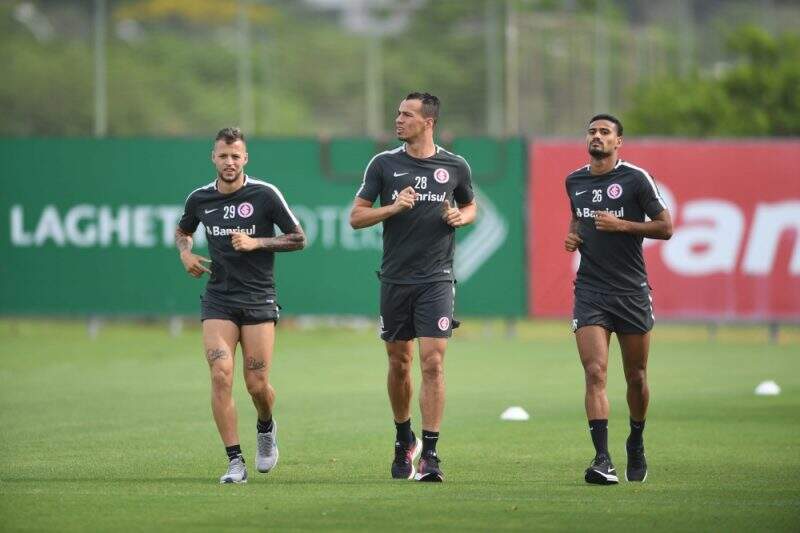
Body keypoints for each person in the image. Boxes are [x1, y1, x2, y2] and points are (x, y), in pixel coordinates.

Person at [349, 92, 477, 482]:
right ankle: (404, 437)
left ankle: (431, 456)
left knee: (433, 362)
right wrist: (393, 208)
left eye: (407, 114)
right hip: (395, 278)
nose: (398, 119)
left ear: (429, 122)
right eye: (398, 113)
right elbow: (356, 217)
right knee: (399, 362)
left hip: (436, 277)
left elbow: (471, 206)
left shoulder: (454, 165)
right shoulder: (384, 164)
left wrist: (461, 216)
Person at [175, 127, 306, 484]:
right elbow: (183, 230)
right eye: (223, 155)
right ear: (213, 158)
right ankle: (235, 462)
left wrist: (256, 242)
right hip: (219, 298)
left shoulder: (264, 194)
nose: (229, 161)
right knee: (220, 375)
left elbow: (298, 239)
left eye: (235, 156)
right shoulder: (199, 199)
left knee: (256, 383)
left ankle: (266, 426)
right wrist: (185, 253)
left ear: (245, 158)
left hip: (259, 298)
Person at [564, 114, 673, 484]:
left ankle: (636, 441)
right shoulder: (574, 180)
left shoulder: (635, 178)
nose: (596, 136)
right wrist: (573, 235)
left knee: (636, 376)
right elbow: (577, 219)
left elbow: (666, 226)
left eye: (604, 132)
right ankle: (602, 459)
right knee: (595, 373)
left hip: (631, 291)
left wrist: (623, 225)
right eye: (592, 131)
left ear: (618, 142)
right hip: (590, 290)